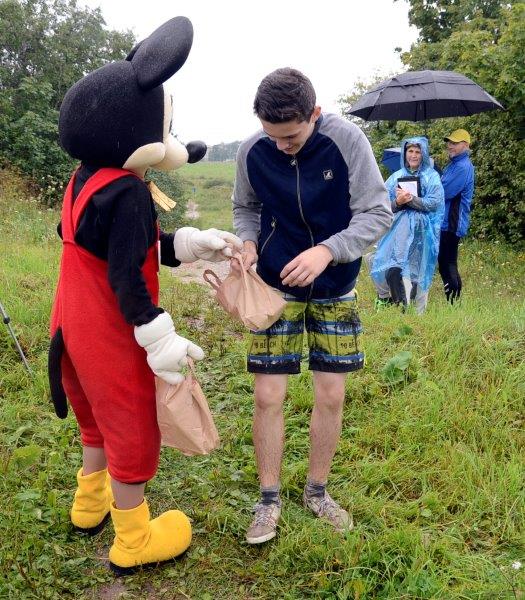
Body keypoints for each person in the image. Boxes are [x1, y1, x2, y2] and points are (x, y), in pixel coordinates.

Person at [232, 67, 392, 544]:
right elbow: (246, 207)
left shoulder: (347, 142)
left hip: (335, 284)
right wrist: (248, 243)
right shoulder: (252, 150)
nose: (282, 146)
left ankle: (317, 492)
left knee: (331, 394)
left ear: (315, 114)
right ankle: (268, 500)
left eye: (292, 137)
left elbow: (377, 211)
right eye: (273, 137)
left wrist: (328, 250)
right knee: (267, 395)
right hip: (274, 285)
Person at [369, 136, 444, 314]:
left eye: (418, 151)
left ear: (423, 154)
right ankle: (398, 304)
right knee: (391, 265)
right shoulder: (396, 177)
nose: (414, 155)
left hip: (421, 231)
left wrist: (411, 199)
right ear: (405, 153)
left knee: (416, 269)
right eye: (410, 151)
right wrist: (398, 202)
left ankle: (417, 311)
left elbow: (434, 203)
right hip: (398, 231)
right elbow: (383, 204)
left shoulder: (432, 177)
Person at [438, 129, 475, 303]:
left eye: (454, 143)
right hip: (448, 221)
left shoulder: (461, 167)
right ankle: (453, 301)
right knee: (445, 261)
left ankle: (453, 301)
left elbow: (444, 192)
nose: (450, 146)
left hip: (453, 222)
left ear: (465, 145)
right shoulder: (455, 164)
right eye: (449, 142)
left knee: (448, 262)